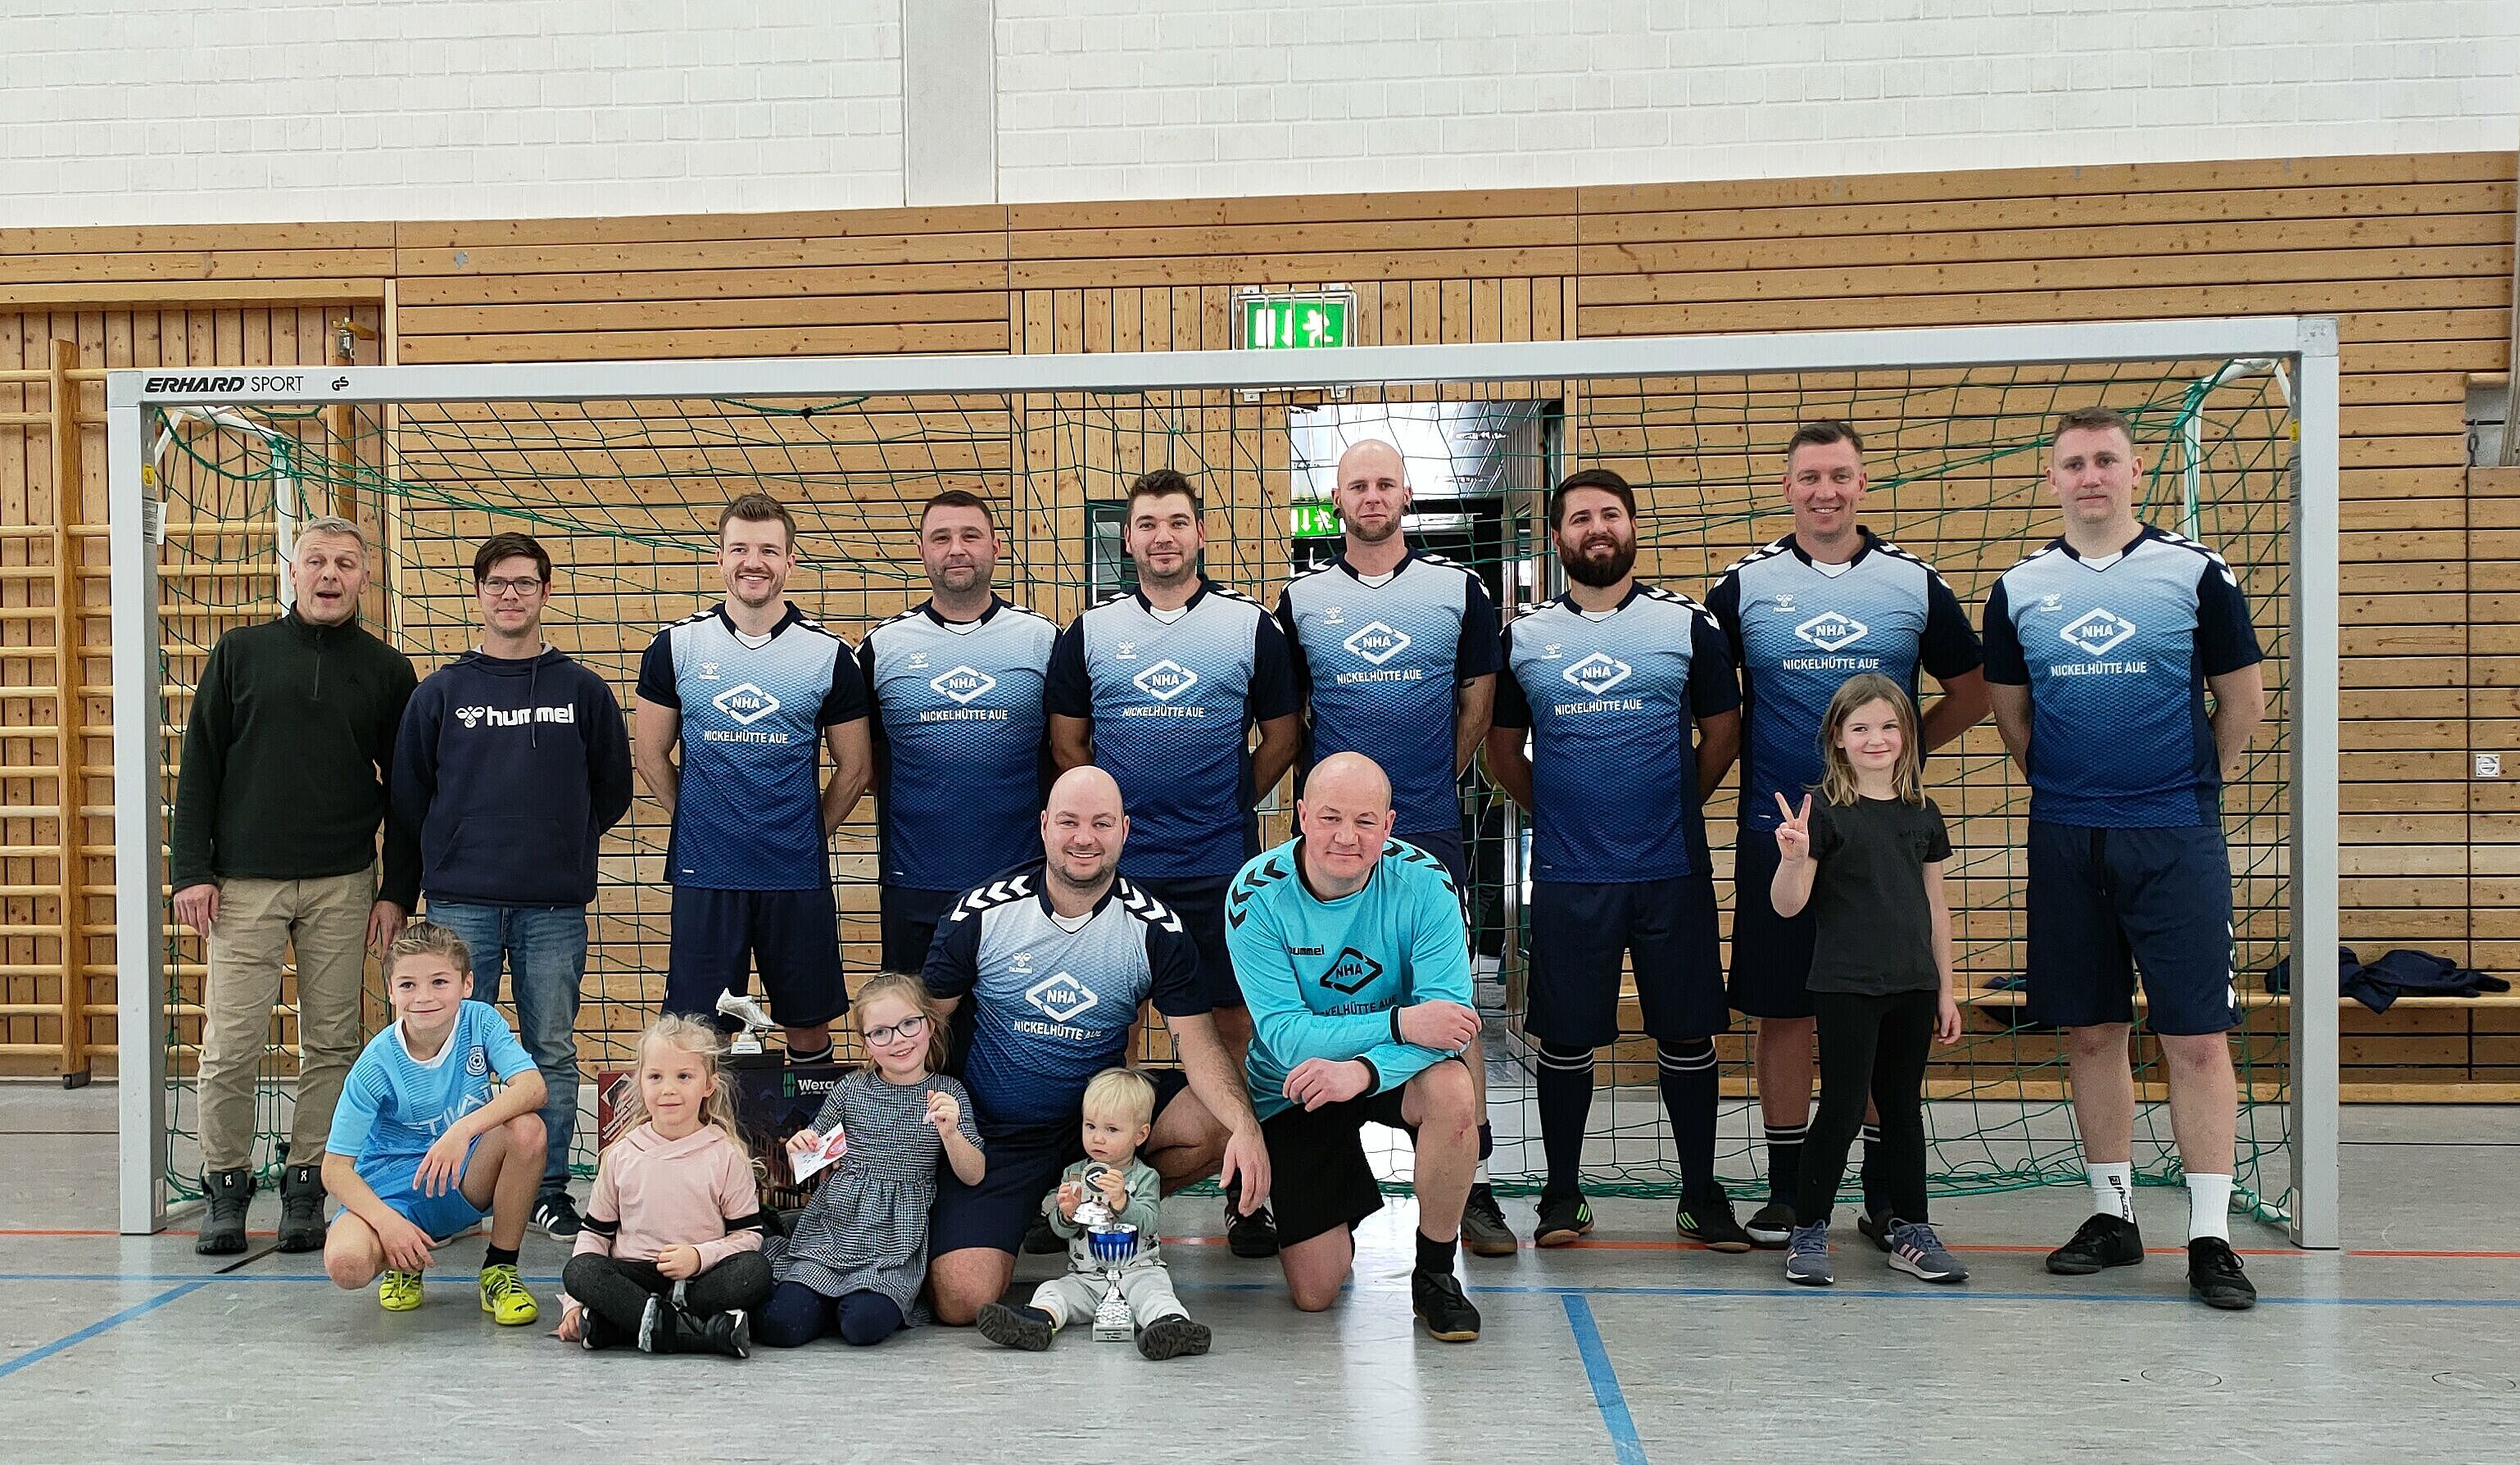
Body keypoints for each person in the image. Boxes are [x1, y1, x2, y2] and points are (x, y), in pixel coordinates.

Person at [1983, 406, 2268, 1311]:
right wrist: (2074, 791)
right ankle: (2113, 1216)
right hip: (2066, 836)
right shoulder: (2018, 589)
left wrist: (2189, 789)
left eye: (2106, 460)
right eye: (2074, 463)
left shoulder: (2193, 573)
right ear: (2052, 479)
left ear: (2136, 472)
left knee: (2194, 1037)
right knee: (2090, 1031)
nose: (2091, 476)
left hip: (2174, 835)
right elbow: (2014, 718)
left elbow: (2243, 702)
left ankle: (2211, 1237)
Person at [1704, 420, 1987, 1248]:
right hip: (1782, 836)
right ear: (1787, 488)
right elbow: (1714, 705)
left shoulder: (1911, 583)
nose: (1824, 492)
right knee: (1785, 1012)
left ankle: (1884, 1196)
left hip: (1881, 845)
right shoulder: (1743, 588)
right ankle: (1790, 1192)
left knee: (1881, 1015)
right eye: (1809, 477)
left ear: (1862, 483)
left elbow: (1971, 692)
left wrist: (1892, 764)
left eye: (1839, 476)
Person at [1484, 468, 1747, 1250]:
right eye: (1579, 518)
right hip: (1570, 875)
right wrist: (1561, 814)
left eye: (1610, 514)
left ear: (1632, 526)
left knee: (1687, 1036)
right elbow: (1503, 752)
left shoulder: (1688, 625)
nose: (1596, 528)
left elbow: (1723, 735)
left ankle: (1700, 1196)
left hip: (1670, 869)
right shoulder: (1522, 638)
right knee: (1566, 1040)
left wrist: (1674, 803)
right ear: (1556, 537)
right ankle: (1562, 1197)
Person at [1046, 468, 1302, 1257]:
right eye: (1149, 524)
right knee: (1106, 1033)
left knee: (1233, 1032)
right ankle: (1097, 1198)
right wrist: (1112, 829)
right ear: (1127, 539)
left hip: (1219, 869)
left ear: (1200, 533)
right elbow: (1068, 744)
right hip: (1119, 878)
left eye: (1178, 522)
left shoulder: (1248, 626)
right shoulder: (1090, 633)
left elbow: (1283, 736)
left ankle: (1247, 1196)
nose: (1163, 537)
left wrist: (1229, 802)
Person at [1274, 438, 1515, 1258]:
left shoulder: (1458, 590)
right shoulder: (1301, 599)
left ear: (1406, 495)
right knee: (1319, 995)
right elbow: (1293, 715)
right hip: (1330, 841)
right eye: (1357, 485)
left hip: (1427, 827)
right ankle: (1310, 1175)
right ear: (1335, 500)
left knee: (1450, 1005)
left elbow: (1476, 705)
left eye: (1385, 483)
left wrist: (1423, 790)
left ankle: (1471, 1184)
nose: (1371, 496)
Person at [921, 765, 1273, 1325]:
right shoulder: (982, 913)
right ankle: (1033, 1212)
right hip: (999, 1134)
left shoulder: (1155, 928)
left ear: (1124, 831)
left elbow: (1200, 1047)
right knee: (963, 1300)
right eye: (1069, 822)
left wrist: (1247, 1127)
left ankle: (1094, 1211)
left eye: (1101, 824)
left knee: (1222, 1122)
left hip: (1101, 1129)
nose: (1084, 838)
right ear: (1044, 826)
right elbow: (925, 1031)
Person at [170, 513, 419, 1256]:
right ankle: (225, 1184)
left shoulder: (387, 670)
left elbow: (408, 792)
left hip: (344, 882)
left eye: (345, 563)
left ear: (365, 578)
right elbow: (200, 765)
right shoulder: (240, 653)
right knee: (231, 1044)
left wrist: (396, 890)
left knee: (333, 1042)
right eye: (317, 561)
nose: (330, 575)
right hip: (244, 885)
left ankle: (309, 1184)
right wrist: (191, 871)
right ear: (293, 570)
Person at [392, 531, 635, 1240]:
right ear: (478, 593)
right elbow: (410, 795)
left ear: (546, 593)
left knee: (549, 1049)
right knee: (449, 1047)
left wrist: (560, 842)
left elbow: (612, 790)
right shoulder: (441, 692)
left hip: (552, 906)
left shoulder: (583, 691)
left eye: (525, 583)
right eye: (497, 582)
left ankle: (548, 1188)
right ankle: (451, 1188)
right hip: (460, 902)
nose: (510, 595)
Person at [1224, 751, 1485, 1342]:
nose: (1347, 837)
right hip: (1295, 1085)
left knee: (1453, 1089)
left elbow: (1449, 1024)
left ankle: (1435, 1274)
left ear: (1388, 825)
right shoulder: (1256, 894)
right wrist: (1399, 1023)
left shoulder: (1426, 882)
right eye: (1331, 818)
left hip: (1384, 1072)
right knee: (1315, 1294)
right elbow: (1285, 1035)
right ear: (1301, 817)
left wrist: (1364, 1071)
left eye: (1366, 821)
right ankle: (1320, 1200)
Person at [633, 493, 872, 1063]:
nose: (753, 562)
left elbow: (856, 768)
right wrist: (701, 820)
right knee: (699, 1035)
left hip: (794, 872)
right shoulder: (676, 647)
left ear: (790, 560)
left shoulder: (828, 654)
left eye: (768, 550)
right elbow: (649, 756)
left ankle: (813, 1126)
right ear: (719, 558)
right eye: (739, 549)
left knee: (808, 1027)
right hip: (707, 870)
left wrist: (806, 832)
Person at [1765, 677, 1967, 1288]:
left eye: (1888, 726)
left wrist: (1946, 989)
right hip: (1846, 985)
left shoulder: (1923, 812)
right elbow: (1788, 906)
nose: (1875, 739)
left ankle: (1911, 1230)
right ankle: (1808, 1229)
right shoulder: (1822, 812)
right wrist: (1793, 858)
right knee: (1843, 1108)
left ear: (1906, 735)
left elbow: (1936, 906)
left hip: (1913, 985)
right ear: (1838, 738)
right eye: (1860, 728)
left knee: (1901, 1110)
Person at [859, 488, 1058, 973]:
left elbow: (1069, 748)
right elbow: (867, 761)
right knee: (916, 1016)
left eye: (971, 536)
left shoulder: (1043, 640)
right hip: (915, 881)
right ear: (921, 550)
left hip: (1022, 882)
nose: (957, 549)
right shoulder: (883, 646)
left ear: (996, 547)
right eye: (941, 538)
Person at [318, 922, 546, 1326]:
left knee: (527, 1129)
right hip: (392, 1192)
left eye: (439, 982)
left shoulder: (481, 1022)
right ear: (391, 991)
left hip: (464, 1175)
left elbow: (533, 1087)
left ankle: (500, 1270)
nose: (423, 997)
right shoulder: (375, 1064)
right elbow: (334, 1169)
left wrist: (462, 1130)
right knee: (347, 1265)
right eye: (408, 985)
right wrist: (387, 1223)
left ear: (466, 984)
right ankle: (403, 1260)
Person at [760, 973, 984, 1347]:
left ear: (929, 1026)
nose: (897, 1039)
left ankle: (852, 1302)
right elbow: (811, 1157)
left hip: (895, 1241)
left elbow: (974, 1174)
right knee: (782, 1325)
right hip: (834, 1229)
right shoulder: (850, 1088)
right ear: (866, 1042)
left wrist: (951, 1134)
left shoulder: (948, 1092)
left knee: (863, 1326)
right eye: (881, 1032)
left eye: (908, 1024)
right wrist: (797, 1146)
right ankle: (815, 1297)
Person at [558, 1014, 774, 1357]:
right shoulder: (622, 1154)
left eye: (684, 1076)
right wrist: (573, 1304)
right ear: (640, 1082)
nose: (668, 1089)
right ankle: (698, 1334)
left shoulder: (726, 1154)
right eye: (655, 1077)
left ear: (709, 1085)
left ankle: (629, 1325)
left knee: (755, 1270)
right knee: (580, 1271)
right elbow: (594, 1236)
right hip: (635, 1277)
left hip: (699, 1281)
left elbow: (748, 1237)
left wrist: (699, 1257)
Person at [972, 1068, 1211, 1360]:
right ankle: (1038, 1321)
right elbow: (1061, 1232)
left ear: (1140, 1135)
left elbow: (1149, 1223)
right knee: (1053, 1289)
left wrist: (1123, 1202)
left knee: (1156, 1295)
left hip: (1138, 1273)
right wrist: (1066, 1214)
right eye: (1090, 1126)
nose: (1098, 1138)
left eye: (1111, 1130)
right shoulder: (1074, 1174)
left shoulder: (1145, 1177)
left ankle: (1173, 1326)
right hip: (1086, 1278)